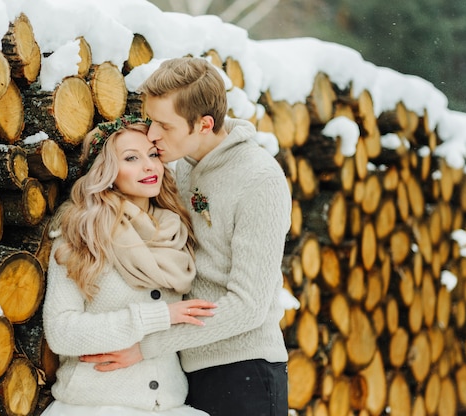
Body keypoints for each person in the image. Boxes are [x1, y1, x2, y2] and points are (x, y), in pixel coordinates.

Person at [81, 57, 293, 416]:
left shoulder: (260, 179)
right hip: (183, 372)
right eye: (150, 122)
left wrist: (147, 346)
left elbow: (248, 306)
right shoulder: (176, 168)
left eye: (164, 125)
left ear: (204, 124)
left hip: (245, 373)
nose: (152, 136)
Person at [41, 114, 216, 416]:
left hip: (170, 404)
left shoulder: (177, 232)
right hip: (96, 406)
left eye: (152, 155)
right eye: (131, 158)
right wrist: (156, 316)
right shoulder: (81, 238)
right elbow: (61, 332)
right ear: (106, 171)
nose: (149, 166)